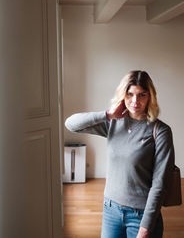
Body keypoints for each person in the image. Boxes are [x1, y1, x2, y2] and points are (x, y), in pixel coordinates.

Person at [65, 70, 175, 238]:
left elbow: (159, 184)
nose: (135, 101)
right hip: (111, 210)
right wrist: (108, 114)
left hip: (141, 215)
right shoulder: (113, 123)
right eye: (129, 94)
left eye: (142, 95)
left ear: (150, 97)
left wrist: (145, 229)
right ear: (123, 95)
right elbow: (71, 124)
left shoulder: (160, 131)